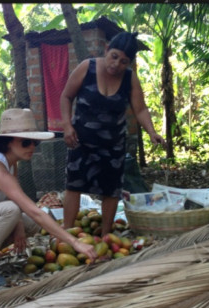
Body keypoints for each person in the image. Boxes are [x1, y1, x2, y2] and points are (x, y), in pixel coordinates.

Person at [0, 108, 97, 287]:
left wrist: (19, 225)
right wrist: (75, 243)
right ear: (8, 142)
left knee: (30, 223)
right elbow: (28, 209)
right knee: (15, 212)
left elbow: (14, 200)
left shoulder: (10, 164)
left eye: (35, 143)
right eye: (26, 142)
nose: (32, 148)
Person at [60, 31, 166, 236]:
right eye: (114, 56)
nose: (116, 64)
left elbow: (140, 109)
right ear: (107, 50)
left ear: (129, 63)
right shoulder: (87, 67)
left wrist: (152, 132)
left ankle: (105, 236)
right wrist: (67, 126)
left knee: (111, 190)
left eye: (123, 61)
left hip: (113, 146)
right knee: (74, 185)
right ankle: (66, 233)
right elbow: (66, 96)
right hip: (81, 142)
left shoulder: (129, 78)